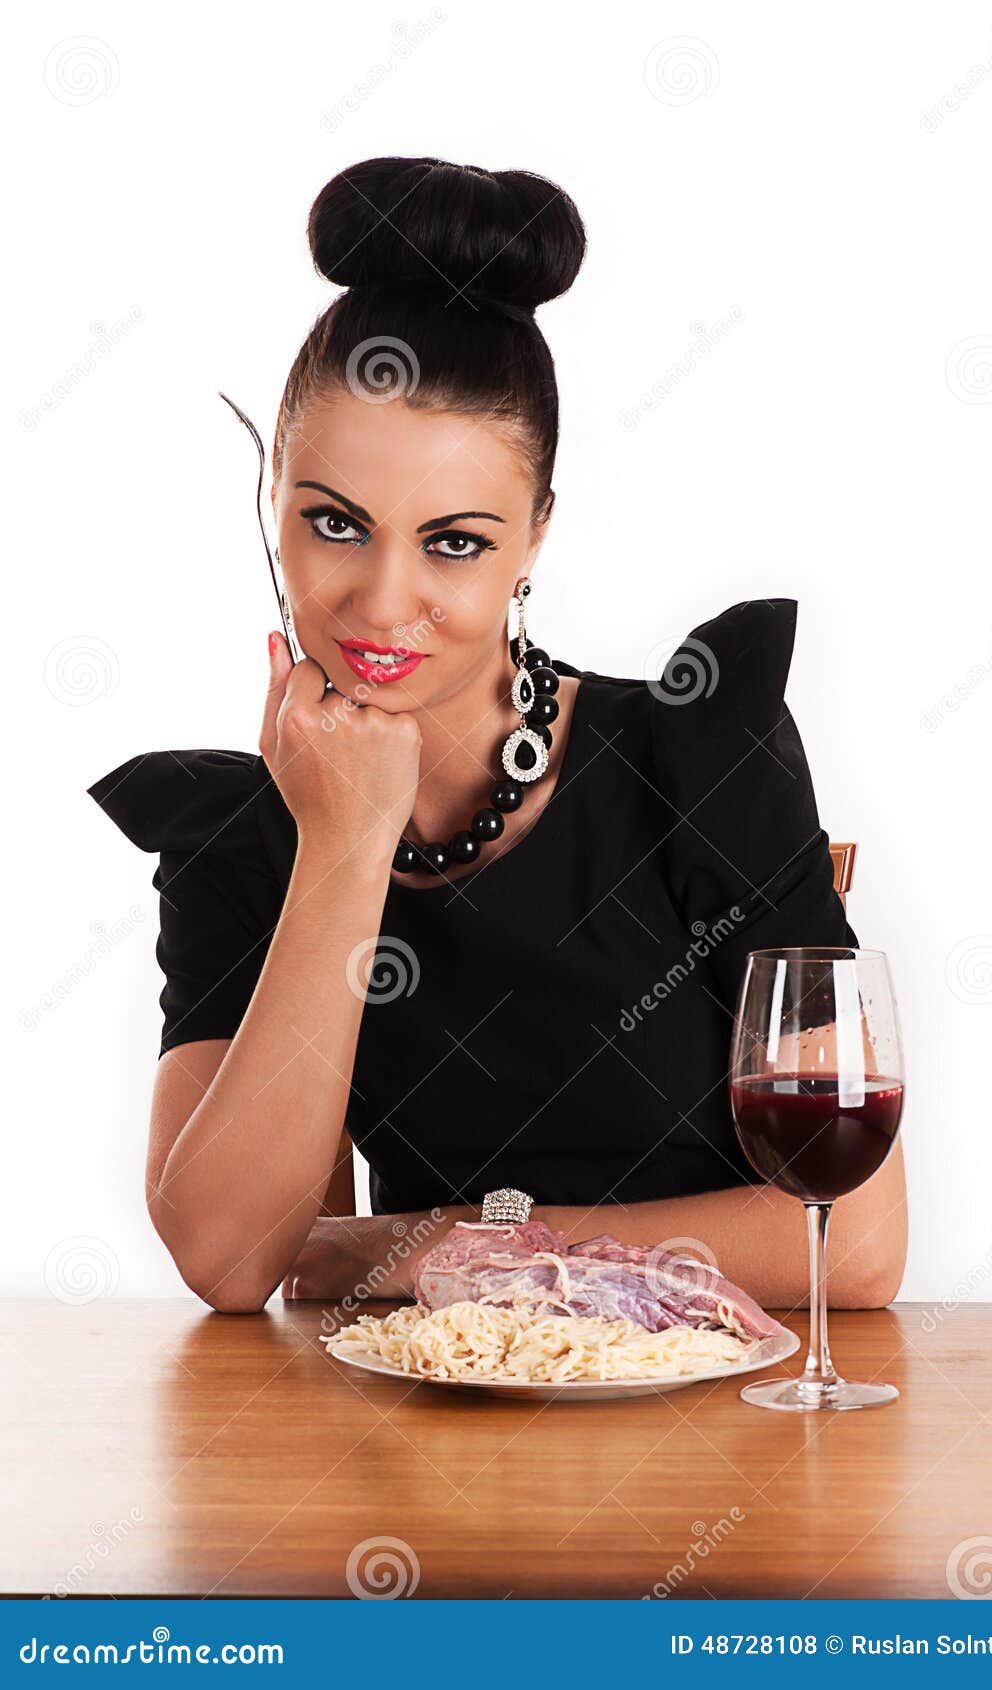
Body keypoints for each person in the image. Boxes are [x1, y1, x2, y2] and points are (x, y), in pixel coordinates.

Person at [87, 156, 907, 1315]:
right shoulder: (241, 830)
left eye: (455, 542)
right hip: (422, 1449)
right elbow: (230, 1262)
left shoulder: (697, 752)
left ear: (534, 539)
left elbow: (856, 1239)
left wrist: (457, 1242)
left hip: (735, 1426)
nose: (381, 601)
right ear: (272, 502)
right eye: (334, 523)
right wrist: (344, 842)